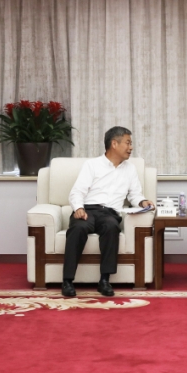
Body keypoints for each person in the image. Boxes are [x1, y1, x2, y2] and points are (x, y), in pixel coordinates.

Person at [62, 127, 154, 298]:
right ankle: (67, 281)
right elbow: (77, 191)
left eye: (131, 143)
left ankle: (104, 280)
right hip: (88, 209)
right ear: (114, 144)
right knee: (78, 228)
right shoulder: (92, 165)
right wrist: (78, 208)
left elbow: (134, 194)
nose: (131, 147)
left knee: (112, 227)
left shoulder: (130, 169)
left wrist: (143, 202)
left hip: (110, 214)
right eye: (128, 143)